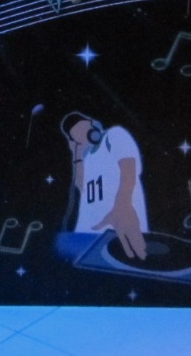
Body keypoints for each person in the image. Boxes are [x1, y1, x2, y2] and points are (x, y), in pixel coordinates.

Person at [60, 110, 149, 260]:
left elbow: (129, 169)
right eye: (76, 135)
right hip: (88, 233)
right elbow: (82, 187)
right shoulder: (87, 157)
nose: (81, 135)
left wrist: (122, 205)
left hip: (120, 225)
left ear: (92, 124)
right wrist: (77, 155)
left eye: (82, 128)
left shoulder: (114, 135)